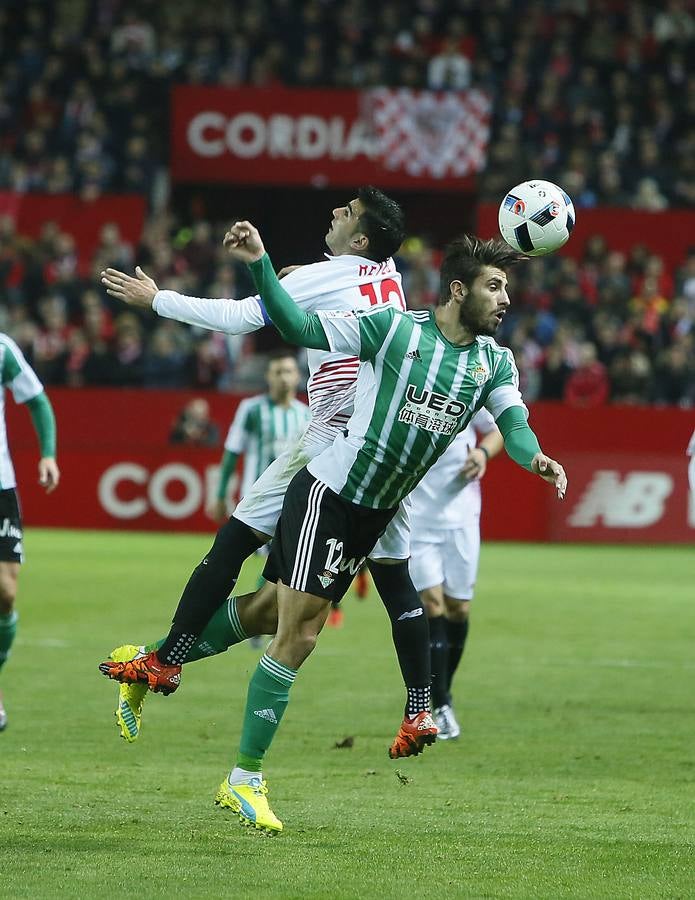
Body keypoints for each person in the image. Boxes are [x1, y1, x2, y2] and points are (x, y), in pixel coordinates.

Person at [103, 223, 567, 834]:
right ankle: (243, 779)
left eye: (507, 288)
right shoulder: (394, 330)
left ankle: (155, 658)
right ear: (459, 290)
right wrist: (263, 264)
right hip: (330, 492)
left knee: (270, 611)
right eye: (495, 287)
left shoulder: (493, 362)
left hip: (380, 509)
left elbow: (514, 422)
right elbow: (296, 328)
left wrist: (533, 456)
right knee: (301, 634)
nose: (506, 299)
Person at [99, 188, 434, 757]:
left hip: (330, 442)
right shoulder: (391, 277)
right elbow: (349, 283)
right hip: (383, 442)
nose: (333, 211)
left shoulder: (335, 276)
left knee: (238, 548)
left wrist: (158, 300)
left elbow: (242, 318)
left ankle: (166, 662)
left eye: (346, 211)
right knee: (361, 585)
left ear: (359, 239)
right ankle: (421, 708)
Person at [408, 409, 503, 741]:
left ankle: (442, 694)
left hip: (461, 515)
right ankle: (442, 703)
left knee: (458, 608)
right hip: (417, 516)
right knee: (431, 604)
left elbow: (500, 429)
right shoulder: (412, 382)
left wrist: (482, 451)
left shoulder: (470, 384)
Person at [0, 334, 60, 731]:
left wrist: (48, 454)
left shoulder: (2, 349)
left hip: (0, 487)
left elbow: (36, 399)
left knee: (5, 592)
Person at [208, 350, 310, 524]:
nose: (283, 378)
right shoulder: (251, 408)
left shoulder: (307, 414)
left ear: (297, 376)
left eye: (288, 372)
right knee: (262, 550)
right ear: (268, 376)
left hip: (291, 496)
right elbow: (232, 452)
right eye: (278, 372)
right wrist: (221, 495)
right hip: (255, 495)